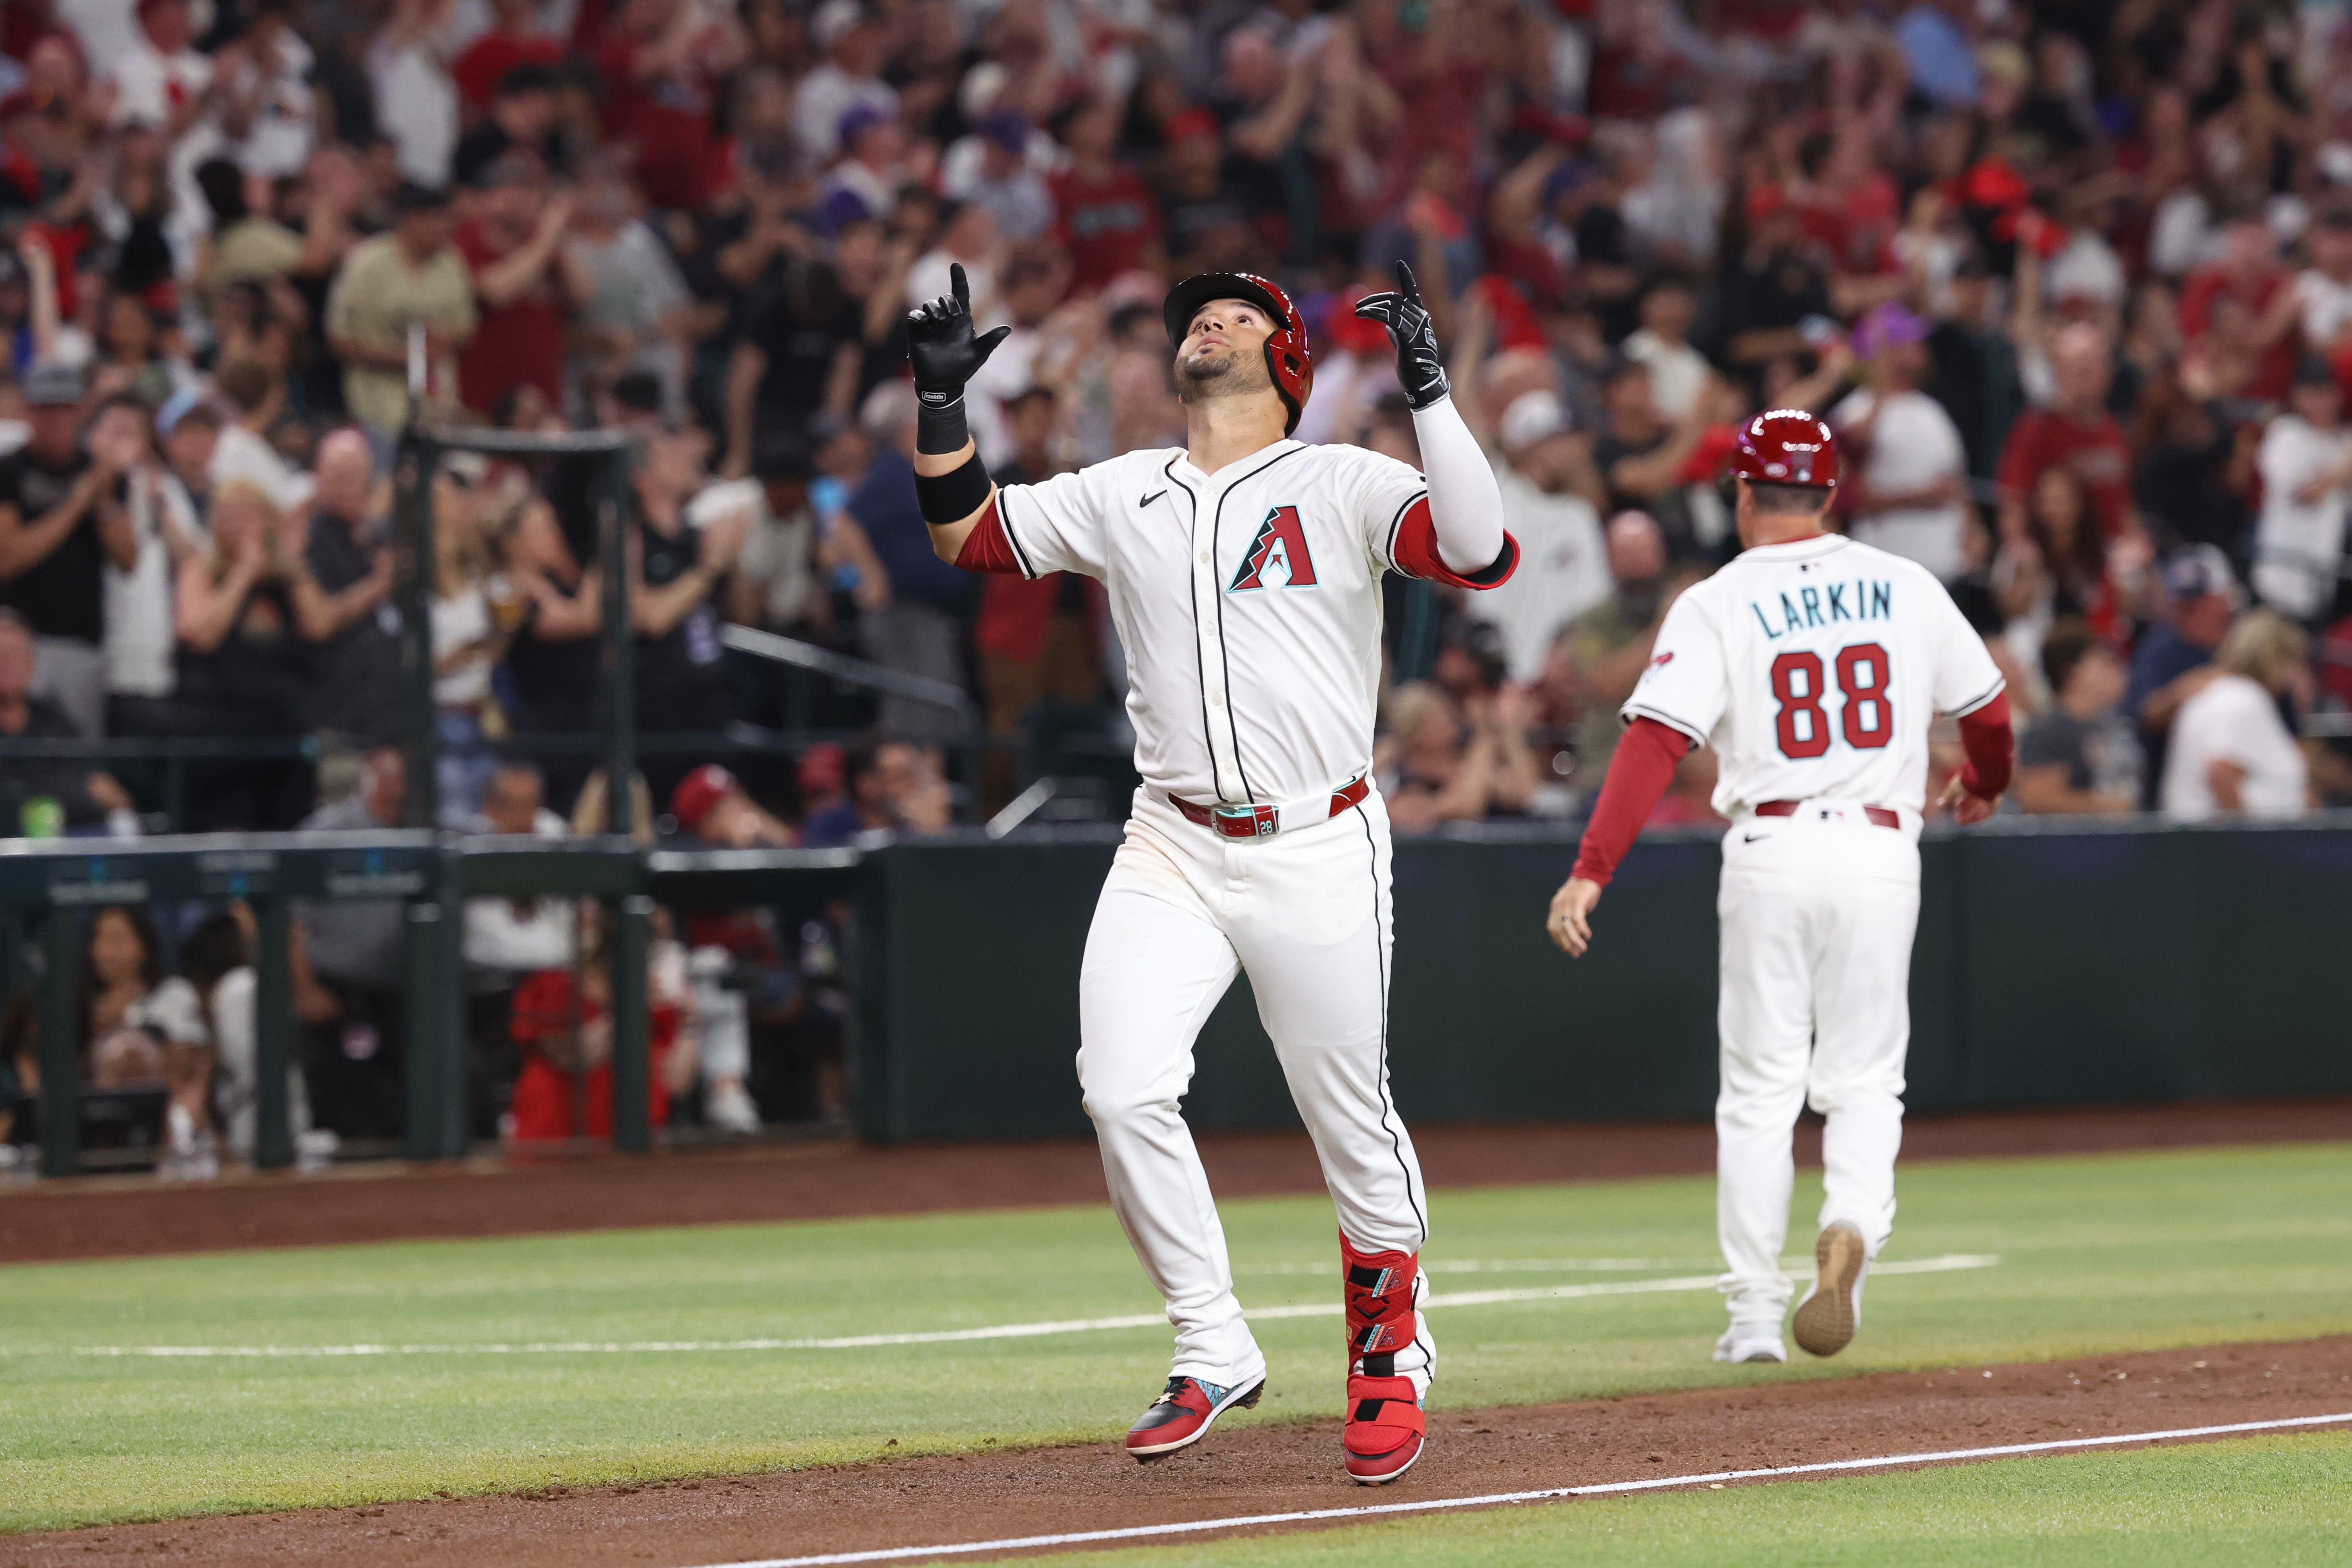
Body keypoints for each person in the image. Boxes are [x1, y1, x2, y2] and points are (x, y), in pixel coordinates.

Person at [908, 259, 1515, 1482]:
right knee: (1120, 1085)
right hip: (1171, 836)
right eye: (1199, 310)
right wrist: (936, 407)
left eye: (1241, 312)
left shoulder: (1339, 477)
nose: (1212, 318)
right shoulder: (1127, 487)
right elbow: (969, 532)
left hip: (1316, 837)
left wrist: (1431, 391)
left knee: (1349, 1121)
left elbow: (1477, 547)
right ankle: (1210, 1337)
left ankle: (1389, 1352)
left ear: (1286, 364)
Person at [1546, 411, 2014, 1367]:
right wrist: (1984, 784)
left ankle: (1754, 1315)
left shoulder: (1718, 599)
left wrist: (1592, 867)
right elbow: (1989, 710)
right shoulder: (1905, 584)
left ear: (1743, 493)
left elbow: (1654, 742)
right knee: (1865, 1079)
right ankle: (1848, 1221)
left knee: (1759, 1092)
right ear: (1831, 495)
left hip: (1772, 841)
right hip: (1882, 849)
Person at [0, 362, 140, 739]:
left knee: (78, 754)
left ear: (78, 411)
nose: (55, 419)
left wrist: (105, 501)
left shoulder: (101, 472)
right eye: (45, 408)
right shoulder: (10, 472)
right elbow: (8, 559)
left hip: (83, 642)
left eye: (63, 408)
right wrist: (76, 505)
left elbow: (129, 559)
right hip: (19, 646)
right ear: (28, 411)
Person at [1831, 302, 1974, 583]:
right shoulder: (1855, 411)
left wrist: (1973, 531)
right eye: (1910, 340)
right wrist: (1918, 498)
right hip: (1887, 568)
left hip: (1945, 567)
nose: (1921, 345)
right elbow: (1849, 495)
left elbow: (1955, 482)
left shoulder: (1931, 409)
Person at [324, 181, 477, 433]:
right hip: (374, 402)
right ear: (412, 218)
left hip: (437, 405)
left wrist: (440, 342)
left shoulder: (451, 263)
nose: (447, 227)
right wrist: (400, 356)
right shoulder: (367, 263)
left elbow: (467, 329)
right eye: (438, 218)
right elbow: (339, 338)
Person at [2160, 610, 2311, 820]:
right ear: (2274, 658)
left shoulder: (2221, 694)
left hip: (2204, 845)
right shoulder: (2242, 698)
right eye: (2292, 663)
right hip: (2222, 848)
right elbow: (2221, 772)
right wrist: (2244, 844)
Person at [2127, 545, 2241, 810]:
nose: (2188, 612)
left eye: (2199, 603)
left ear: (2225, 600)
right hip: (2174, 784)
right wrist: (2195, 689)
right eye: (2182, 604)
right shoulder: (2162, 648)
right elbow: (2145, 713)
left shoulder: (2247, 642)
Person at [0, 609, 133, 833]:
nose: (7, 665)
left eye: (16, 655)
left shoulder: (53, 720)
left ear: (31, 663)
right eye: (2, 656)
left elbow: (99, 785)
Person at [2250, 356, 2352, 625]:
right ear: (2297, 395)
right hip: (2281, 577)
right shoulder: (2286, 434)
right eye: (2313, 393)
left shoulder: (2343, 441)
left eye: (2327, 392)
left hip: (2323, 579)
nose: (2321, 402)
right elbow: (2305, 494)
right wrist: (2346, 467)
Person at [2014, 621, 2139, 814]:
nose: (2118, 672)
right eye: (2105, 664)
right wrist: (2107, 808)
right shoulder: (2051, 731)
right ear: (2071, 674)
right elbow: (2037, 799)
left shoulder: (2112, 724)